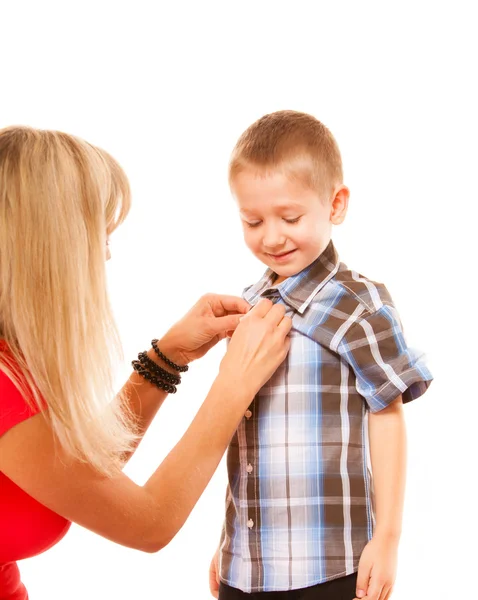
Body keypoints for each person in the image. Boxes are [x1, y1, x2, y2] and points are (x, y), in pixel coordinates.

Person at [0, 126, 293, 600]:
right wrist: (234, 383)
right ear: (49, 249)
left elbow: (78, 472)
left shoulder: (11, 361)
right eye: (99, 235)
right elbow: (149, 522)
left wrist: (167, 359)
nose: (107, 253)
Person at [208, 111, 433, 600]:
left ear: (335, 204)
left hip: (328, 566)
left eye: (290, 218)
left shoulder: (358, 304)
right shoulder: (249, 309)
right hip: (244, 568)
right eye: (252, 220)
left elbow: (387, 414)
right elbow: (245, 440)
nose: (271, 236)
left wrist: (388, 538)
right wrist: (228, 546)